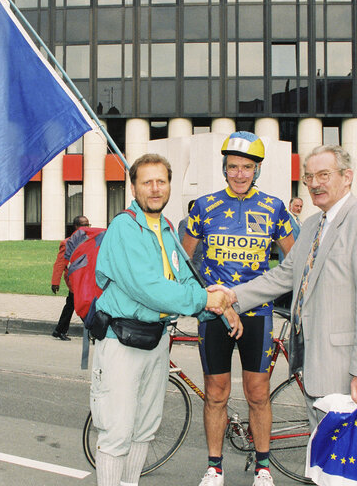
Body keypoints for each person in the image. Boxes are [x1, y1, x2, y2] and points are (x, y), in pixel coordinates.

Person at [90, 153, 242, 486]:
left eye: (162, 181)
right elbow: (150, 288)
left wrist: (213, 304)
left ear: (170, 184)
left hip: (156, 340)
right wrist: (205, 299)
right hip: (121, 341)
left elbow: (187, 279)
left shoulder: (169, 229)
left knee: (144, 428)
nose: (155, 188)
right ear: (134, 187)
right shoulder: (124, 228)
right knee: (117, 430)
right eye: (147, 182)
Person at [223, 144, 357, 430]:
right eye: (309, 177)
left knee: (346, 465)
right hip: (314, 364)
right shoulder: (313, 224)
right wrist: (232, 296)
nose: (315, 184)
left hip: (347, 372)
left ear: (347, 176)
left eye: (324, 175)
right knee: (323, 458)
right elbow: (284, 275)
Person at [182, 131, 295, 486]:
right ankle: (214, 467)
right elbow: (184, 261)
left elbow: (296, 261)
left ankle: (263, 466)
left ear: (257, 169)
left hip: (257, 313)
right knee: (216, 393)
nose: (240, 174)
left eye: (247, 167)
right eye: (233, 167)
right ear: (224, 168)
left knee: (257, 393)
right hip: (214, 314)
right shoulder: (204, 206)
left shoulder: (274, 208)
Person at [51, 215, 91, 341]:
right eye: (83, 225)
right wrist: (55, 282)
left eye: (87, 225)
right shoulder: (67, 243)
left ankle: (59, 330)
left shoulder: (90, 240)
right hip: (73, 280)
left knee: (71, 305)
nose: (86, 227)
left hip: (85, 279)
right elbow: (60, 264)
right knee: (81, 304)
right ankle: (93, 330)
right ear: (76, 227)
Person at [178, 199, 204, 272]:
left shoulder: (202, 222)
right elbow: (183, 245)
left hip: (201, 264)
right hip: (193, 266)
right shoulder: (185, 222)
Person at [278, 197, 303, 263]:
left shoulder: (299, 221)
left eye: (301, 206)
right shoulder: (286, 219)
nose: (299, 208)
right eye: (297, 206)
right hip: (288, 258)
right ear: (290, 206)